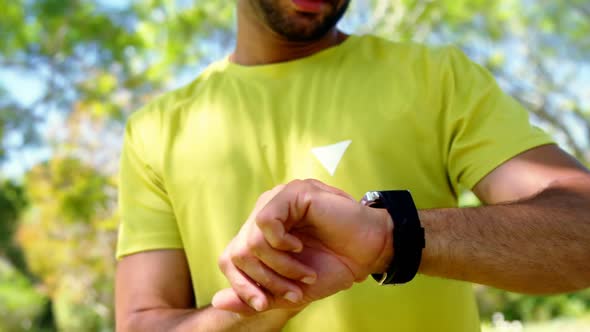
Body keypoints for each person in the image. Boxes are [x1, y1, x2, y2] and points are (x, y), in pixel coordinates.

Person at [114, 0, 590, 331]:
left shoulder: (436, 78)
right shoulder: (156, 129)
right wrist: (256, 310)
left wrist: (389, 237)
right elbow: (141, 322)